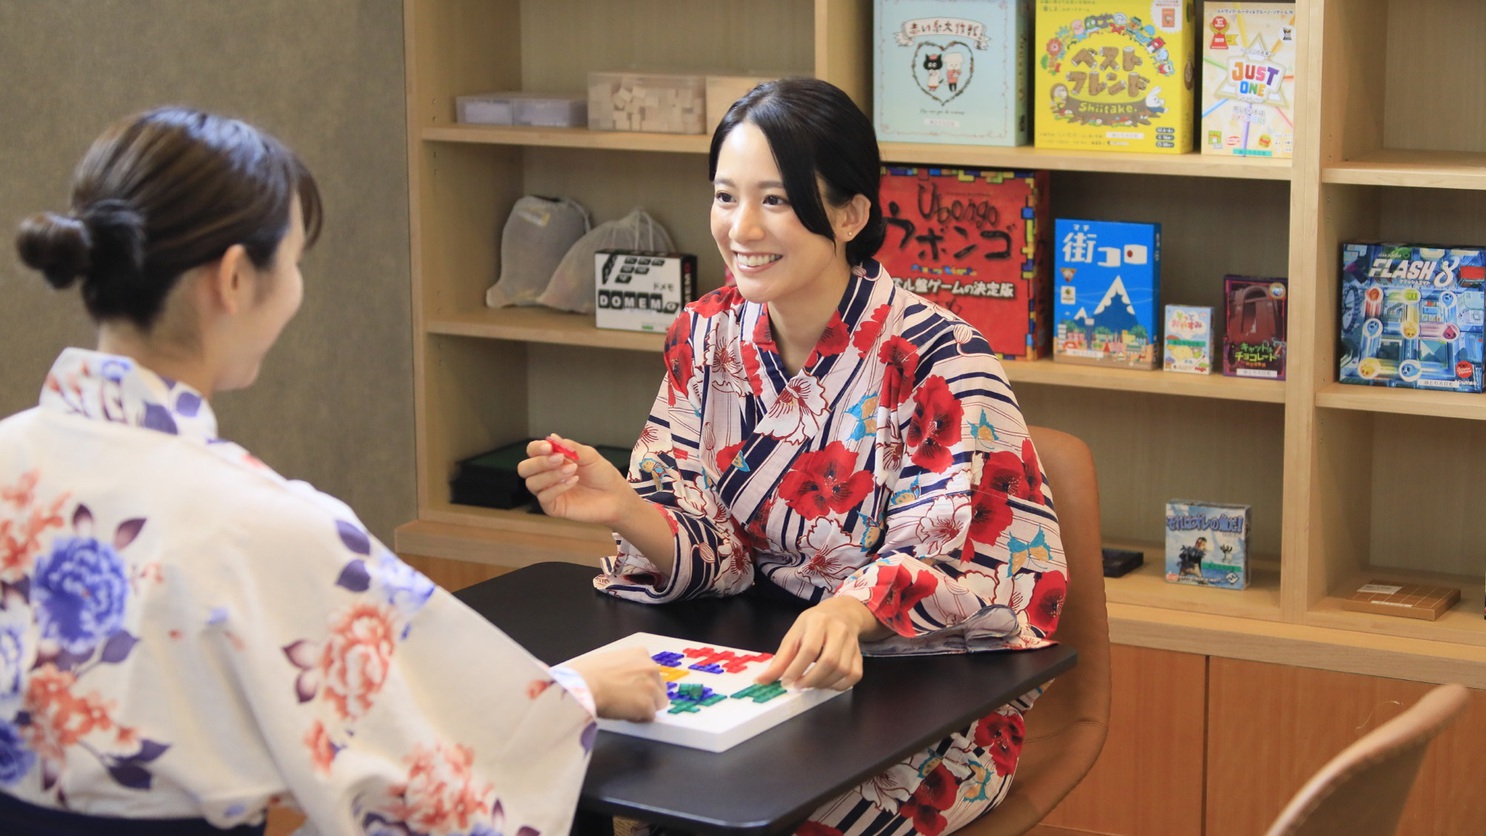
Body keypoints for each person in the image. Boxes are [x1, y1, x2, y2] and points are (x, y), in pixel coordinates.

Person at [2, 107, 667, 836]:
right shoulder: (263, 525)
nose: (295, 288)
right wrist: (576, 691)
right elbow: (418, 754)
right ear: (232, 278)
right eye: (292, 261)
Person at [519, 78, 1069, 835]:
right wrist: (624, 507)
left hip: (925, 699)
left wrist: (853, 609)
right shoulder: (704, 335)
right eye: (725, 196)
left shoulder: (941, 357)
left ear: (849, 214)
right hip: (761, 673)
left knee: (744, 816)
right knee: (561, 762)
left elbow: (984, 574)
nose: (741, 228)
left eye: (775, 200)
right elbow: (718, 551)